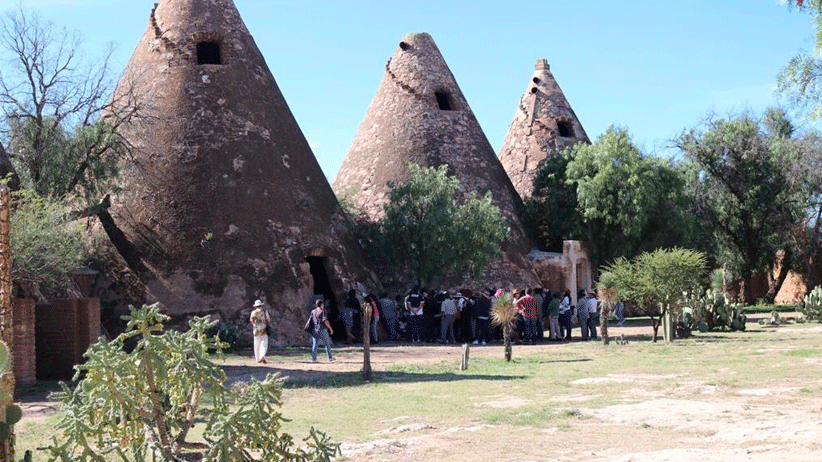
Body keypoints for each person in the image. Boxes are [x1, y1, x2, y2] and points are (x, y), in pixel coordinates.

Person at [249, 299, 271, 364]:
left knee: (256, 344)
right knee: (264, 343)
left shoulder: (253, 313)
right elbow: (268, 319)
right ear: (261, 305)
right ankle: (262, 355)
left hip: (256, 330)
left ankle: (257, 358)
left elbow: (251, 320)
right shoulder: (264, 312)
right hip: (263, 329)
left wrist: (255, 324)